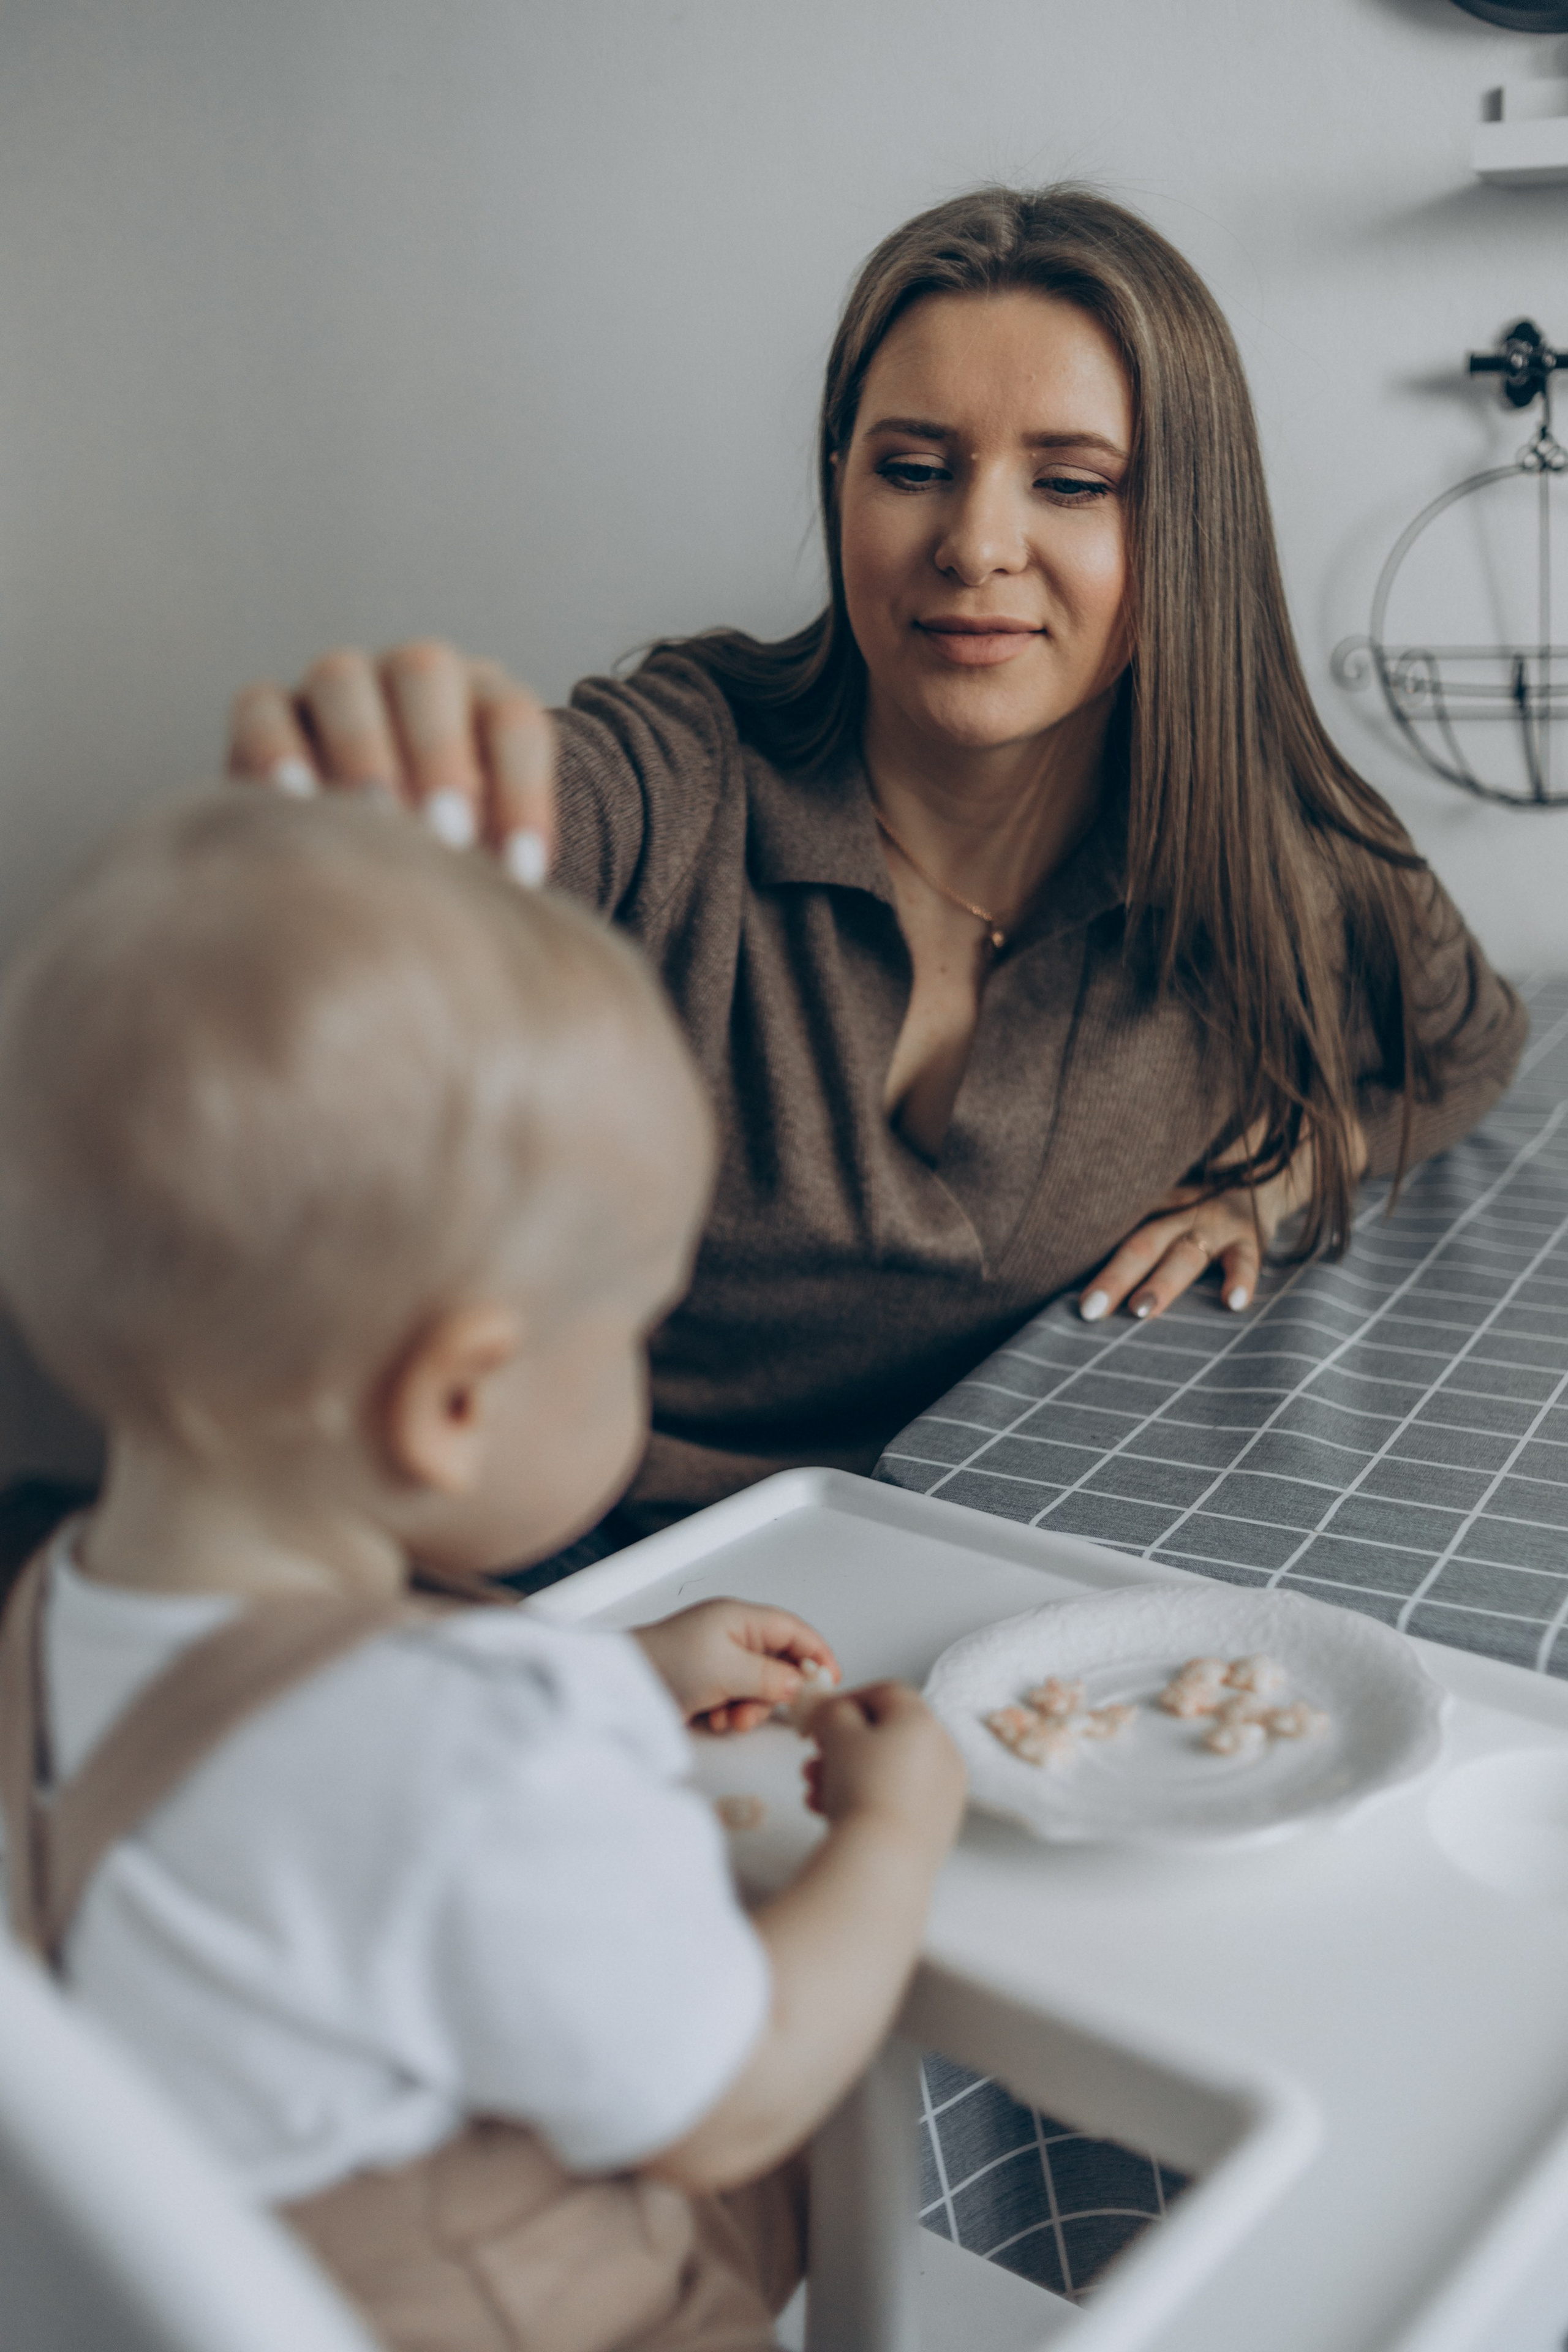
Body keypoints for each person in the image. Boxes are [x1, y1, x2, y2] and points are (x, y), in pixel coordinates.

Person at [227, 184, 1526, 1540]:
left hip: (987, 1555)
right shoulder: (675, 776)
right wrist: (345, 849)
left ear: (1179, 533)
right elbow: (390, 913)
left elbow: (1465, 1051)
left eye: (1070, 484)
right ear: (839, 483)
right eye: (911, 468)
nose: (973, 546)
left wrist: (1284, 1176)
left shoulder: (1276, 860)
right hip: (574, 1583)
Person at [0, 788, 967, 2352]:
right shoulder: (481, 1748)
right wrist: (893, 1835)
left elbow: (293, 1783)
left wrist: (617, 1678)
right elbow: (735, 2095)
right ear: (455, 1403)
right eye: (627, 1336)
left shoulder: (60, 1611)